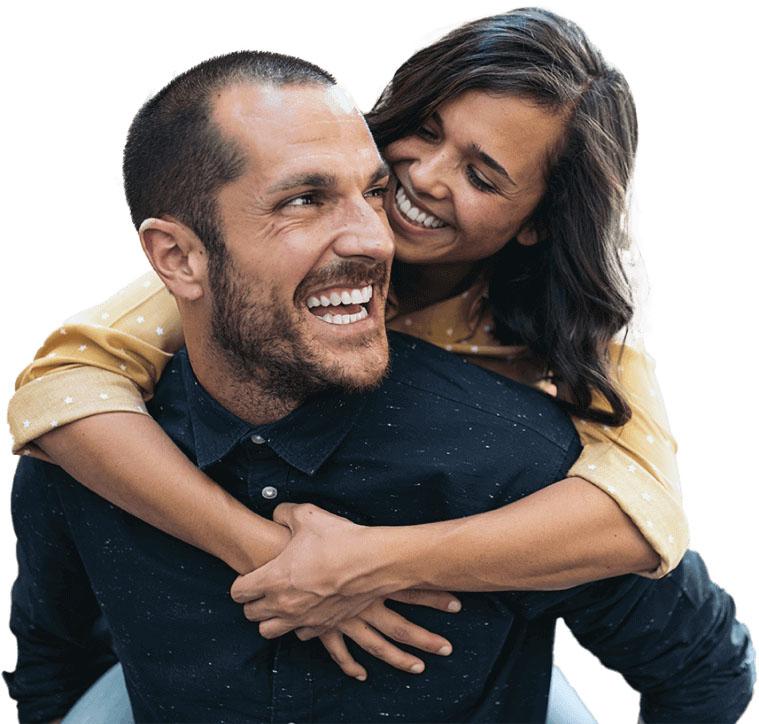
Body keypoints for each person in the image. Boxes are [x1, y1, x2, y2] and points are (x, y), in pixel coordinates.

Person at [4, 50, 753, 723]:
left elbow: (639, 524)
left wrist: (369, 562)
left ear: (537, 223)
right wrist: (268, 552)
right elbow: (58, 392)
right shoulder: (209, 292)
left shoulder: (549, 405)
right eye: (424, 132)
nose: (417, 182)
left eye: (482, 174)